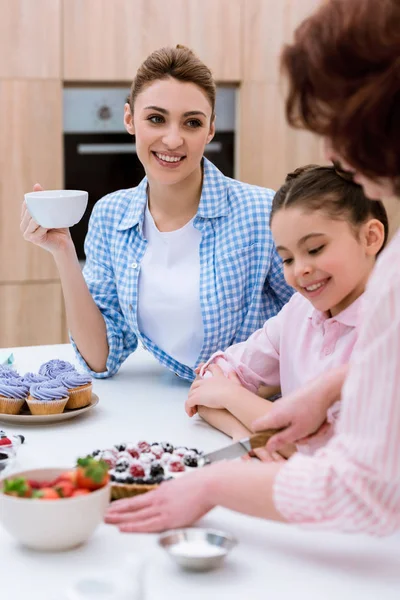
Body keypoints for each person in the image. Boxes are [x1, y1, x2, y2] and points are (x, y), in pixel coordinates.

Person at [105, 0, 400, 535]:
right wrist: (329, 390)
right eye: (288, 256)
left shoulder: (381, 287)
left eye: (339, 119)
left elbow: (363, 487)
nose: (333, 147)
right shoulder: (303, 318)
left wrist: (214, 481)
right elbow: (211, 379)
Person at [20, 45, 292, 382]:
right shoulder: (110, 217)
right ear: (130, 119)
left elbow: (318, 317)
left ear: (209, 130)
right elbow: (101, 358)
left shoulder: (263, 212)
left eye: (192, 123)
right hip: (175, 409)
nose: (173, 139)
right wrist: (62, 251)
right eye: (156, 118)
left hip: (258, 405)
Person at [185, 164, 388, 461]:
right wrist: (249, 437)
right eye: (287, 258)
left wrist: (233, 398)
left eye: (316, 249)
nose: (300, 269)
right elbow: (206, 387)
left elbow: (329, 448)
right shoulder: (300, 311)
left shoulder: (387, 331)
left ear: (370, 237)